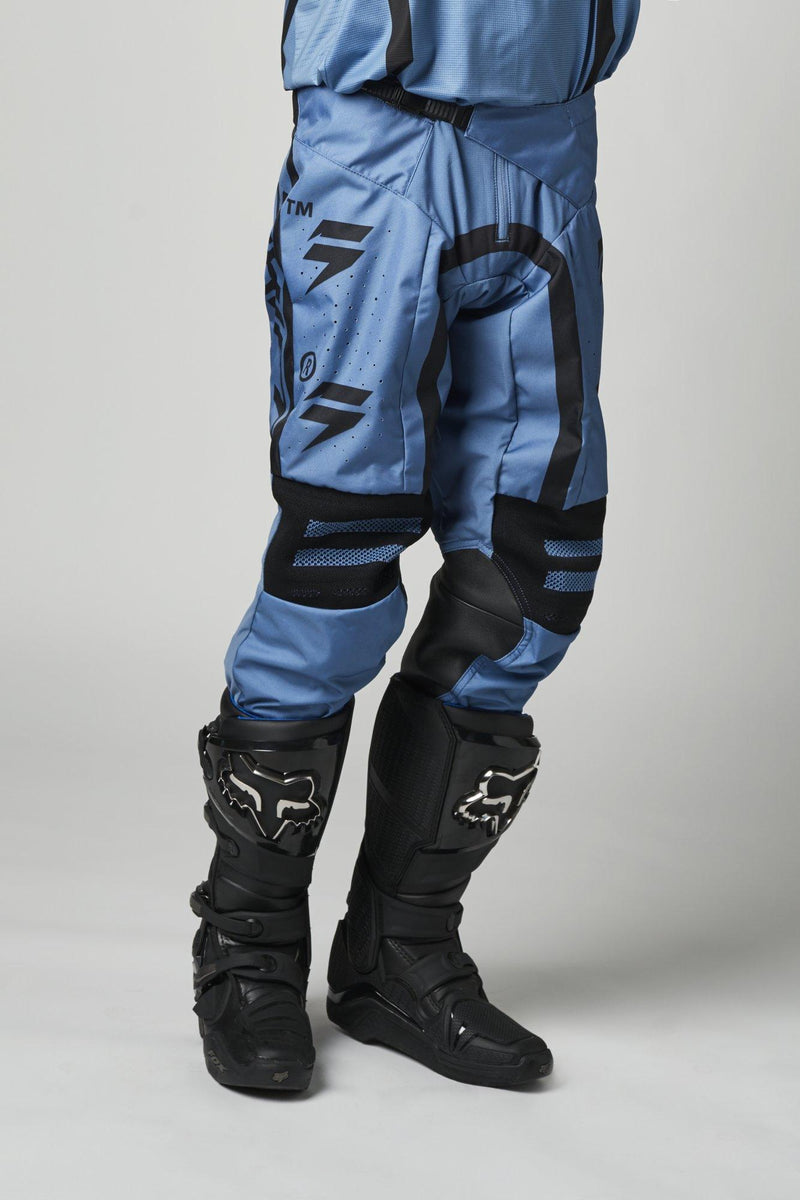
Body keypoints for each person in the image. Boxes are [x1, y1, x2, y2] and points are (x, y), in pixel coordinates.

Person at [191, 0, 640, 1092]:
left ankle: (401, 948)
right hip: (378, 141)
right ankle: (248, 943)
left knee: (535, 568)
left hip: (548, 141)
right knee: (339, 549)